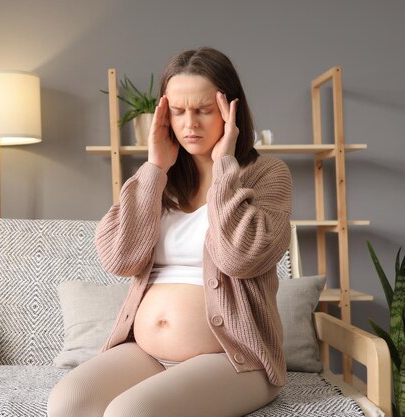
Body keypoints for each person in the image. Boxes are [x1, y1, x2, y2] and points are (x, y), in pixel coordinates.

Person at [48, 46, 292, 417]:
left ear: (232, 110)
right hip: (146, 353)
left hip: (233, 356)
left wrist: (225, 166)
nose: (189, 123)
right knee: (67, 404)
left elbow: (240, 258)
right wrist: (154, 169)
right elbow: (119, 258)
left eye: (204, 110)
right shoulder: (159, 180)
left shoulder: (267, 175)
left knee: (130, 413)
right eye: (178, 111)